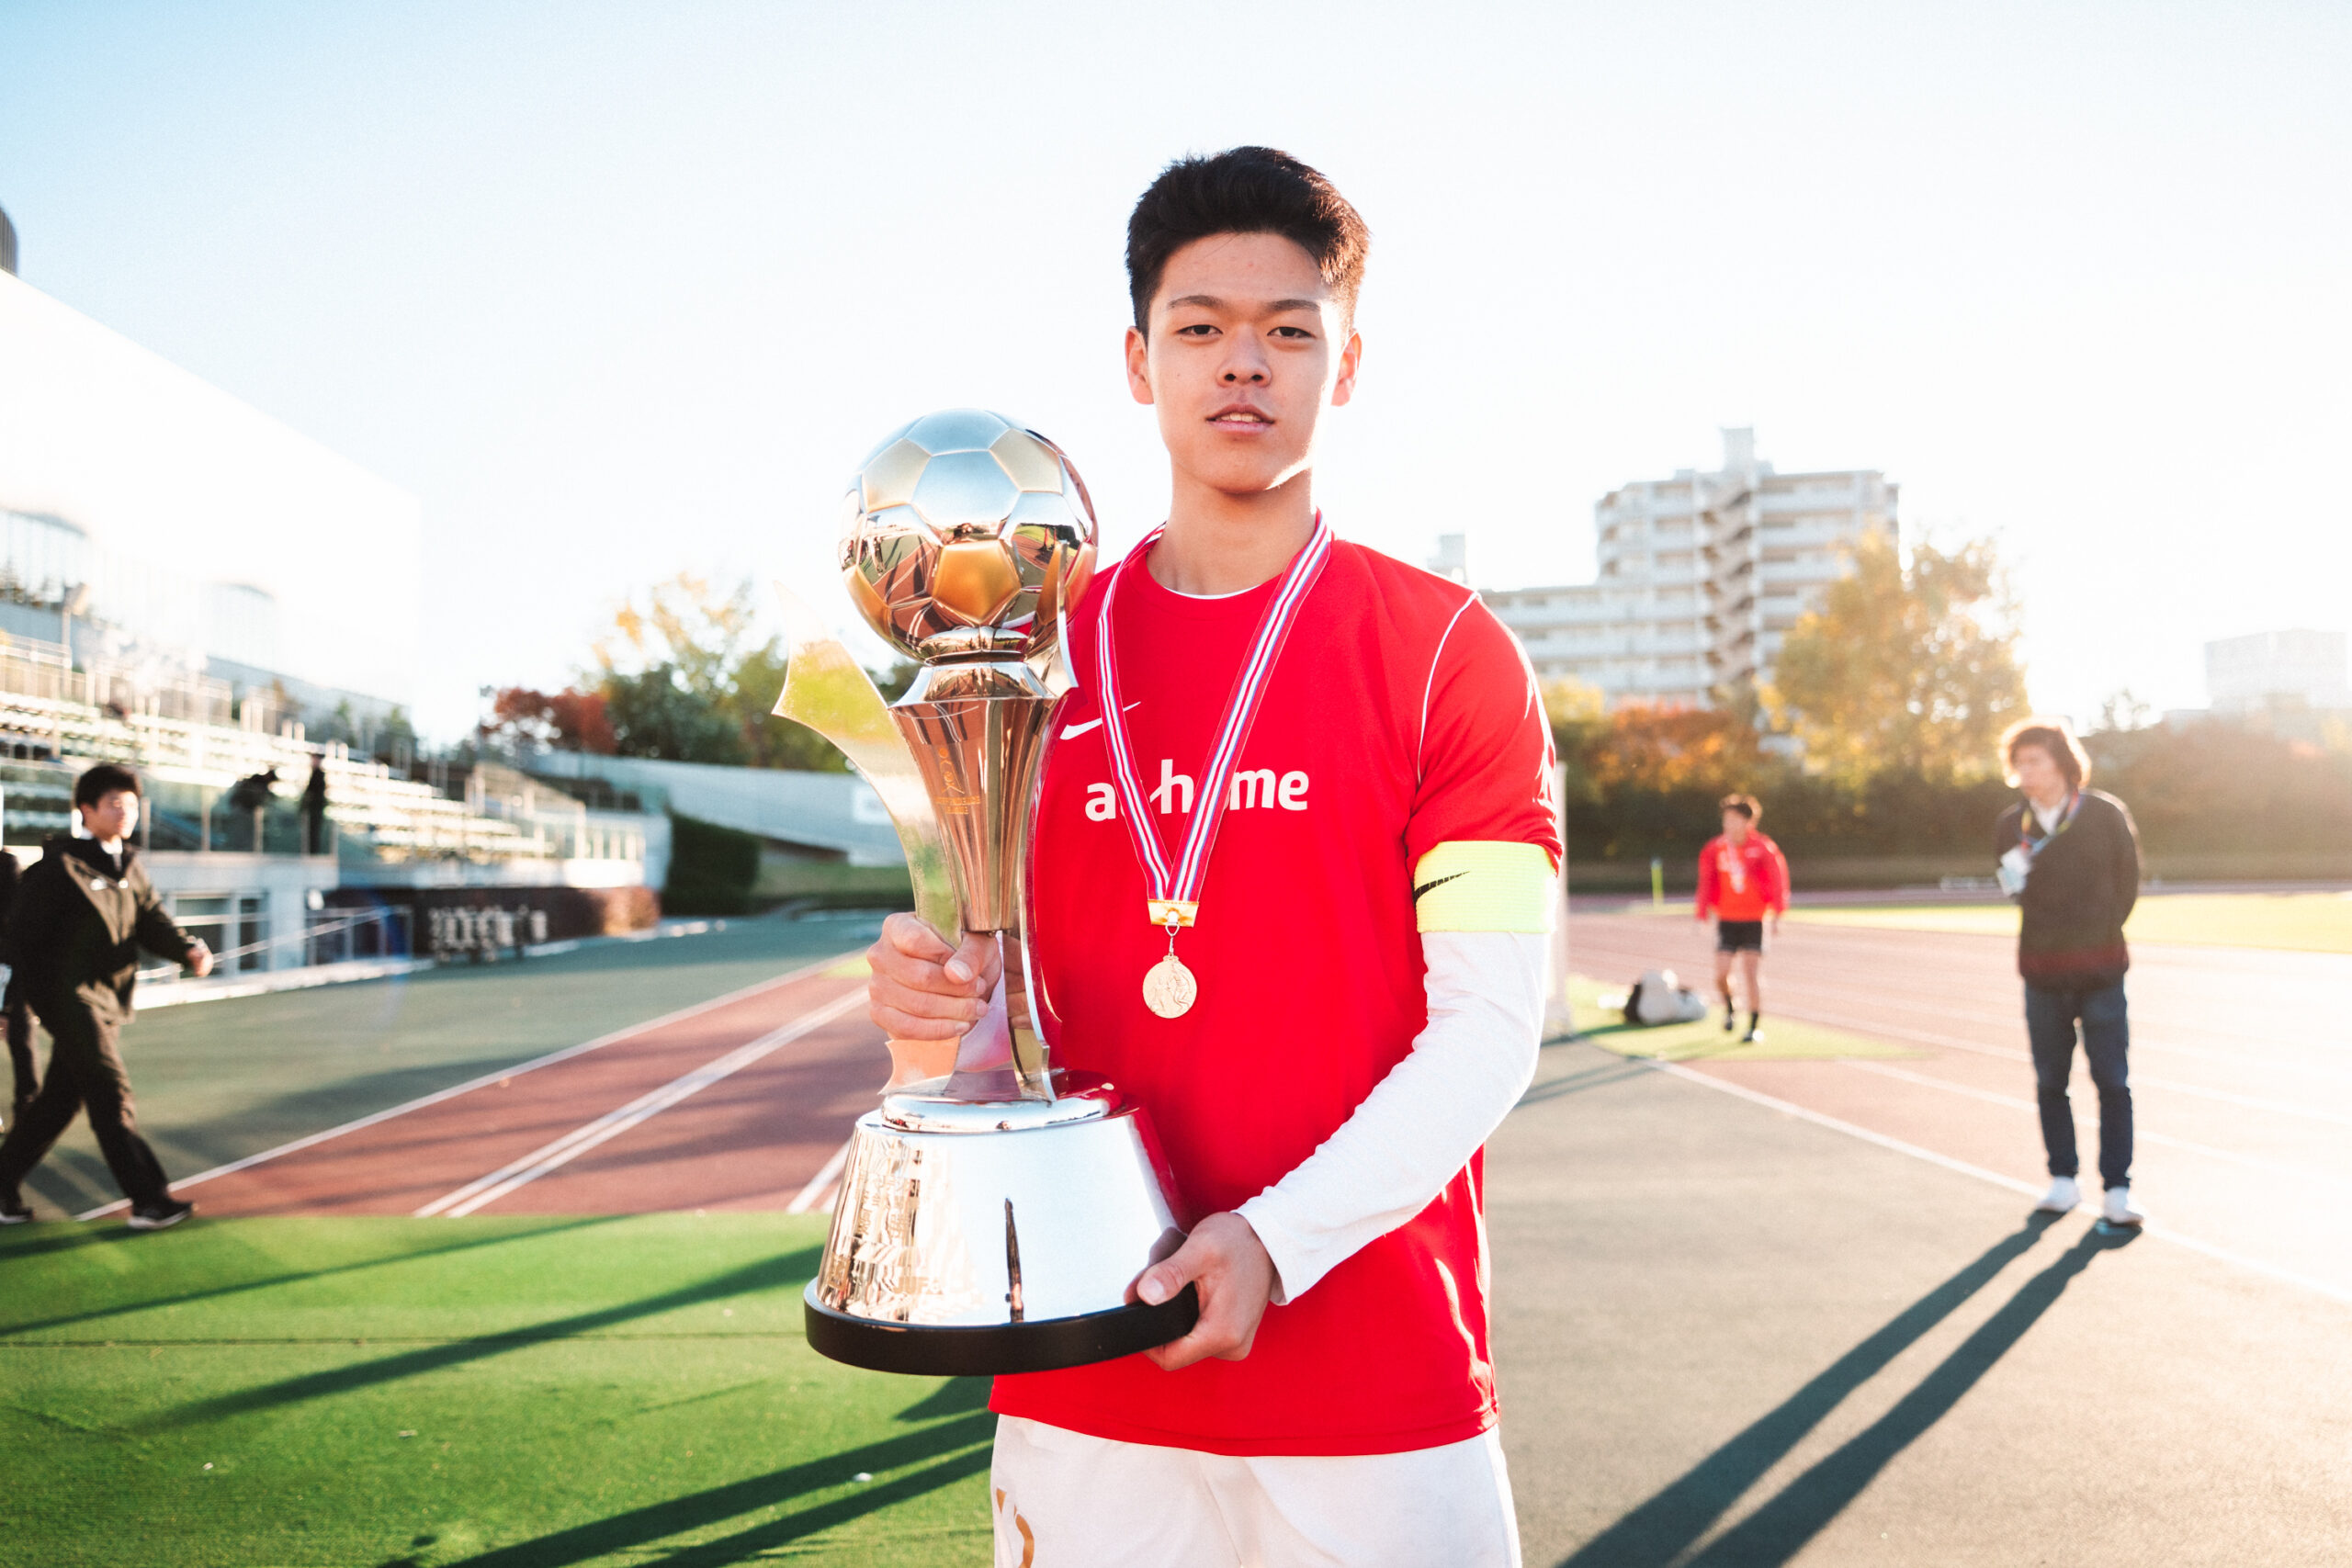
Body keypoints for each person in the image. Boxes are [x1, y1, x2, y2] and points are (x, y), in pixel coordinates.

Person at [865, 148, 1558, 1567]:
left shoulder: (1450, 652)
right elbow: (1000, 1028)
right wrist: (930, 1021)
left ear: (1344, 363)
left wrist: (1276, 1240)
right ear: (1139, 359)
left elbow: (1489, 1028)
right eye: (1200, 326)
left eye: (1289, 329)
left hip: (1379, 1396)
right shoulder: (1026, 665)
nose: (1244, 363)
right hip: (1086, 1374)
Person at [0, 764, 213, 1228]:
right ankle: (149, 1200)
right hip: (67, 999)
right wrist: (11, 1003)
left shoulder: (129, 866)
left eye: (131, 804)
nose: (124, 812)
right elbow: (18, 940)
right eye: (114, 803)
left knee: (59, 1102)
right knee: (110, 1091)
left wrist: (187, 950)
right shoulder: (58, 868)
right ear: (87, 809)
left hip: (107, 1001)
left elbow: (152, 919)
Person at [1995, 719, 2143, 1229]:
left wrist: (2098, 933)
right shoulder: (2011, 825)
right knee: (2050, 1081)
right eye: (2019, 763)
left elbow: (2127, 884)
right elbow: (2012, 888)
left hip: (2101, 972)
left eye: (2034, 761)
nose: (2025, 772)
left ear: (2061, 762)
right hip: (2041, 974)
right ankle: (2062, 1179)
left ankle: (2118, 1189)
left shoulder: (2103, 814)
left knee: (2113, 1081)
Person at [1694, 793, 1787, 1043]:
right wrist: (1701, 914)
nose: (1728, 824)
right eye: (1726, 819)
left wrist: (1778, 914)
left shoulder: (1762, 848)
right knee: (1721, 974)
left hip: (1754, 919)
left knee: (1751, 973)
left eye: (1734, 819)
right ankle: (1730, 1006)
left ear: (1748, 822)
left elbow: (1777, 880)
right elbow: (1706, 880)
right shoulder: (1716, 848)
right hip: (1727, 919)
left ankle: (1753, 1026)